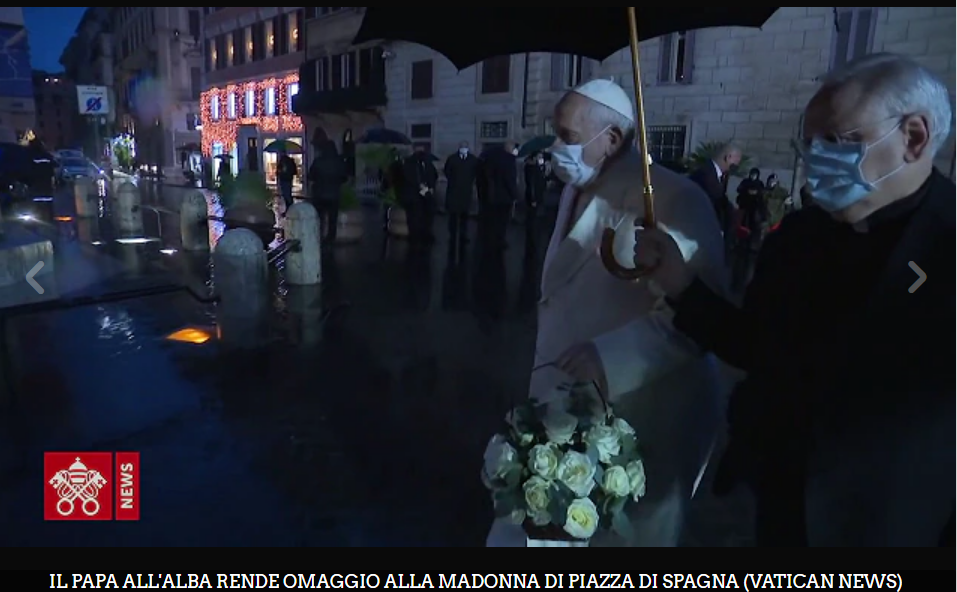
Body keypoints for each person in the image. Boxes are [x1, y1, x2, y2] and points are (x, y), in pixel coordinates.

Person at [632, 53, 955, 547]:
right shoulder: (798, 236)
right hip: (780, 508)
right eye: (809, 142)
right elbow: (757, 346)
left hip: (897, 527)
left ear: (913, 137)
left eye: (839, 142)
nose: (816, 159)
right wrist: (680, 284)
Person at [486, 79, 727, 547]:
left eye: (568, 136)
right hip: (566, 406)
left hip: (641, 415)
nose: (558, 147)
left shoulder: (674, 199)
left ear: (612, 139)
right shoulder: (582, 184)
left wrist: (608, 355)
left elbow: (696, 317)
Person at [689, 142, 741, 260]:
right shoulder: (703, 175)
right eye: (735, 164)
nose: (735, 169)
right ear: (728, 158)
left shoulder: (719, 176)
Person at [733, 168, 769, 290]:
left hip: (754, 224)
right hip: (745, 216)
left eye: (755, 175)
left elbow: (762, 195)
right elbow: (739, 191)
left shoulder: (759, 186)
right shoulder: (745, 182)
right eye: (752, 174)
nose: (753, 176)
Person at [481, 141, 520, 250]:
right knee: (502, 220)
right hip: (505, 196)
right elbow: (510, 179)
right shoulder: (509, 160)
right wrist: (515, 194)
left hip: (493, 195)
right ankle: (499, 240)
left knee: (494, 219)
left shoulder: (493, 159)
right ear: (509, 148)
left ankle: (491, 240)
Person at [308, 139, 346, 244]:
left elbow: (310, 176)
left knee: (319, 218)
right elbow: (344, 178)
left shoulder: (318, 161)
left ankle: (319, 236)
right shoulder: (339, 161)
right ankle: (330, 238)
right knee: (332, 219)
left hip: (319, 194)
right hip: (334, 194)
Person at [443, 141, 480, 246]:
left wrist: (470, 181)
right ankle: (453, 235)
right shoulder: (452, 158)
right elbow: (447, 171)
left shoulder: (473, 159)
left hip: (466, 191)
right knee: (453, 215)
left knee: (465, 215)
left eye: (465, 147)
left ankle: (463, 235)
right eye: (462, 146)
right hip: (454, 190)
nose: (463, 148)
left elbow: (476, 172)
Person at [402, 144, 438, 246]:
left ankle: (426, 234)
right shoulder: (409, 162)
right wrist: (420, 186)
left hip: (426, 195)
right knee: (414, 217)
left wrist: (430, 187)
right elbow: (409, 177)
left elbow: (433, 175)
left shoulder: (428, 162)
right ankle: (414, 237)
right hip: (413, 195)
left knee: (427, 215)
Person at [523, 151, 548, 238]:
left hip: (537, 196)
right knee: (533, 218)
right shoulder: (532, 168)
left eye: (542, 157)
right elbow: (532, 185)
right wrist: (533, 199)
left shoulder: (537, 168)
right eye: (539, 157)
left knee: (534, 217)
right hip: (534, 197)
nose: (541, 159)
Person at [277, 147, 298, 212]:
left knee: (286, 193)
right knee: (288, 193)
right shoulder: (290, 160)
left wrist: (279, 173)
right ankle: (290, 207)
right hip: (289, 178)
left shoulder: (282, 161)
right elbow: (294, 171)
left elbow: (278, 171)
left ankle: (289, 207)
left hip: (284, 178)